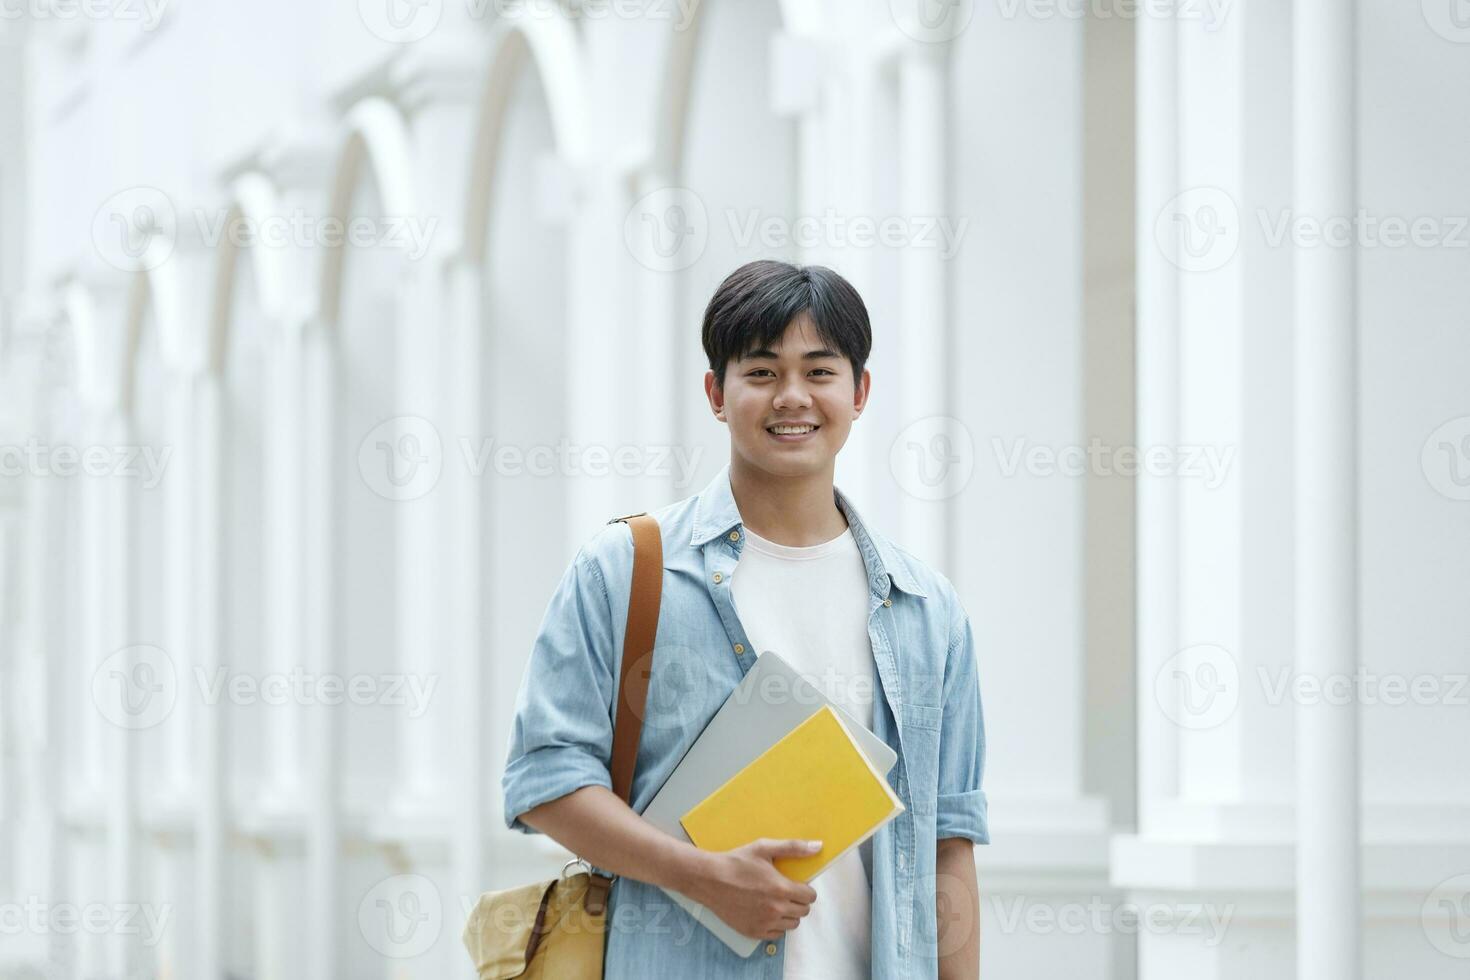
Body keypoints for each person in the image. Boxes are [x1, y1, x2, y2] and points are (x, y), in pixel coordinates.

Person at [501, 259, 989, 979]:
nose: (792, 397)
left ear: (859, 393)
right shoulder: (627, 570)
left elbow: (949, 841)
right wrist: (700, 874)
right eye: (761, 372)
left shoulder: (926, 609)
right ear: (716, 394)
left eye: (819, 372)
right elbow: (543, 780)